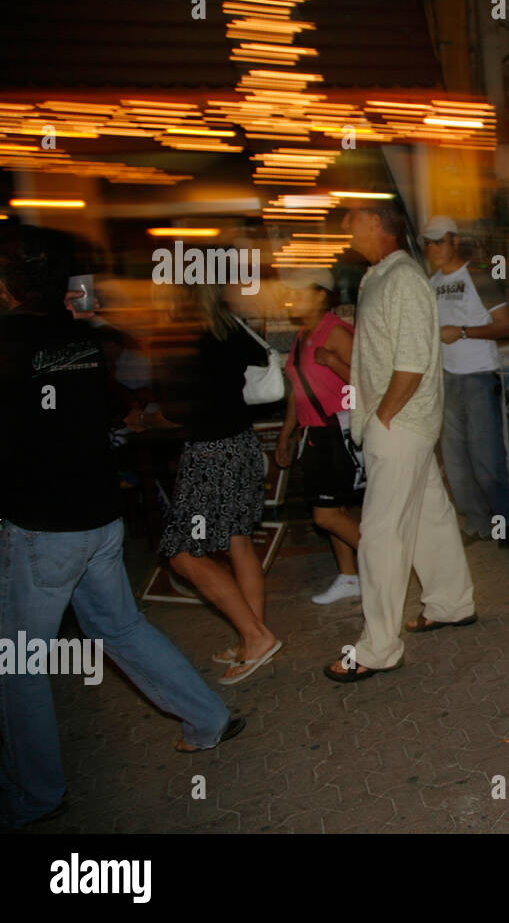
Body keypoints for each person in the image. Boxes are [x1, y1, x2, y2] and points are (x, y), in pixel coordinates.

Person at [0, 226, 243, 828]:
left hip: (42, 527)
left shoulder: (7, 343)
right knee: (121, 628)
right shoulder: (83, 341)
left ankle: (36, 794)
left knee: (18, 661)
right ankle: (207, 718)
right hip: (98, 517)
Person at [323, 200, 476, 683]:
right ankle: (452, 603)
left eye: (350, 221)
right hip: (403, 423)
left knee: (381, 537)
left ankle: (377, 648)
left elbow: (412, 360)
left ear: (373, 223)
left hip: (399, 424)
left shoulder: (403, 278)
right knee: (431, 516)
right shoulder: (385, 275)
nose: (346, 231)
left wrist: (384, 416)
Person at [157, 276, 282, 685]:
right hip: (243, 446)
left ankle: (254, 635)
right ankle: (253, 638)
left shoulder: (184, 338)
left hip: (210, 454)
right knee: (239, 543)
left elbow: (178, 408)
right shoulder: (230, 328)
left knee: (183, 552)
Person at [420, 216, 509, 548]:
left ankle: (507, 519)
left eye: (439, 241)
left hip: (478, 375)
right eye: (429, 242)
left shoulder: (478, 276)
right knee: (455, 460)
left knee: (486, 456)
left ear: (454, 241)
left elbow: (507, 326)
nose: (433, 248)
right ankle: (478, 522)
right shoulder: (431, 282)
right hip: (446, 377)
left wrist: (463, 332)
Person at [274, 269, 364, 605]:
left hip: (336, 430)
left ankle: (384, 561)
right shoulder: (302, 335)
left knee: (324, 515)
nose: (292, 299)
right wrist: (287, 436)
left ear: (322, 296)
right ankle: (349, 576)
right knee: (333, 509)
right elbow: (299, 394)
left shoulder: (336, 332)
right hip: (314, 432)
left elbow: (368, 382)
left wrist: (333, 363)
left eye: (300, 293)